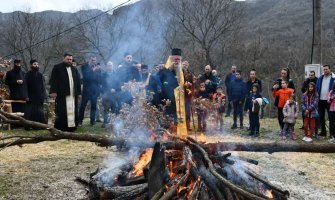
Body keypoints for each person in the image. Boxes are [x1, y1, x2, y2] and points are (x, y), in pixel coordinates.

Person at [49, 53, 81, 132]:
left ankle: (72, 127)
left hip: (73, 94)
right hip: (62, 94)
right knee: (62, 111)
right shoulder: (57, 67)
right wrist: (53, 91)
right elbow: (53, 80)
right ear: (64, 59)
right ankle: (61, 127)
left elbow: (78, 81)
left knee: (72, 111)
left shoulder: (74, 69)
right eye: (68, 59)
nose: (69, 61)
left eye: (70, 59)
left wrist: (79, 93)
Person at [78, 56, 102, 126]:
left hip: (94, 91)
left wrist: (97, 72)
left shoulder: (98, 68)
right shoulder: (84, 66)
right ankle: (80, 121)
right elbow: (86, 77)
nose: (93, 61)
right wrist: (93, 70)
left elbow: (99, 80)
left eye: (94, 60)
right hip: (86, 90)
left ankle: (92, 121)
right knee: (82, 106)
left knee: (93, 107)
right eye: (92, 60)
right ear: (89, 59)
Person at [24, 59, 47, 126]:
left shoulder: (40, 75)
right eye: (34, 64)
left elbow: (43, 86)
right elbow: (25, 86)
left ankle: (39, 126)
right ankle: (28, 125)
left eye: (37, 64)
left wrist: (44, 96)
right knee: (30, 112)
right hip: (30, 97)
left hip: (39, 96)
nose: (36, 66)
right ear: (31, 65)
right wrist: (26, 96)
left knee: (39, 112)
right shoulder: (27, 74)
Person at [101, 61, 122, 127]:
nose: (109, 66)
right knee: (106, 109)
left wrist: (115, 89)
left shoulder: (116, 74)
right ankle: (105, 122)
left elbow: (119, 85)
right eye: (108, 65)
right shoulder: (104, 75)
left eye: (111, 65)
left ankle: (113, 123)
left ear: (113, 66)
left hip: (114, 95)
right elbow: (102, 85)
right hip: (106, 95)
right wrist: (107, 90)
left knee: (114, 109)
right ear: (106, 66)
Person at [316, 64, 335, 137]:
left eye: (326, 69)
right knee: (321, 117)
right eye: (324, 69)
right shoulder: (320, 78)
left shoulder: (333, 78)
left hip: (330, 101)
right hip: (320, 100)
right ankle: (323, 132)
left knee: (331, 117)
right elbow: (317, 88)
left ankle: (332, 133)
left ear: (330, 69)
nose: (325, 70)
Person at [182, 61, 194, 130]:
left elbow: (193, 84)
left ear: (188, 66)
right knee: (181, 110)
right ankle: (181, 126)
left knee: (187, 110)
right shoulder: (179, 73)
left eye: (186, 65)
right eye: (183, 64)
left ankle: (187, 126)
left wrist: (190, 85)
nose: (185, 66)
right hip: (181, 94)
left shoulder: (190, 74)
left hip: (188, 94)